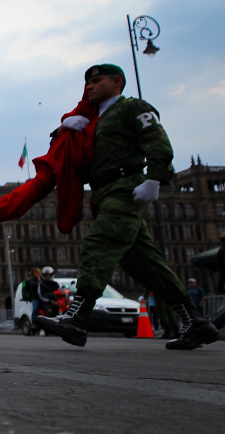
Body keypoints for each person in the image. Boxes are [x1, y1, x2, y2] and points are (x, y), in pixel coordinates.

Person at [36, 64, 217, 350]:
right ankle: (196, 322)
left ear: (117, 82)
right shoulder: (94, 117)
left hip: (126, 189)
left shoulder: (132, 108)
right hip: (104, 192)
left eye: (97, 81)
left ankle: (77, 317)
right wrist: (66, 129)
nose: (90, 87)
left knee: (99, 244)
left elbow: (157, 141)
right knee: (145, 264)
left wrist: (155, 178)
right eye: (88, 83)